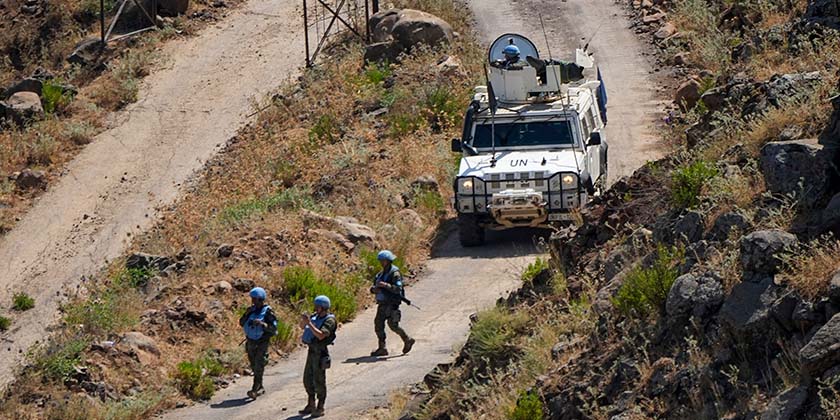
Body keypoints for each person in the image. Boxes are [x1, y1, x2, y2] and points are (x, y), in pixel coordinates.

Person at [369, 250, 415, 357]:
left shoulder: (395, 274)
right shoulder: (380, 274)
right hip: (382, 303)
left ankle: (407, 340)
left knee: (393, 325)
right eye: (380, 261)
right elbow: (374, 287)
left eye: (383, 261)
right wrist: (373, 290)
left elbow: (397, 289)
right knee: (378, 325)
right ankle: (382, 347)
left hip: (391, 303)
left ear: (388, 261)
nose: (381, 263)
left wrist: (385, 285)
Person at [299, 295, 337, 418]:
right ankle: (311, 404)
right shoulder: (315, 317)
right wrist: (305, 321)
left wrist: (309, 323)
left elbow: (321, 335)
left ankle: (320, 407)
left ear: (323, 307)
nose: (315, 308)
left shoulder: (329, 320)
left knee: (319, 380)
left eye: (317, 306)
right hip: (311, 351)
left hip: (320, 352)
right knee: (307, 379)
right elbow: (302, 327)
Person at [239, 287, 278, 399]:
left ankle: (255, 388)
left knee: (259, 364)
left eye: (255, 299)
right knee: (253, 365)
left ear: (261, 299)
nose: (253, 302)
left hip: (262, 342)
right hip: (251, 342)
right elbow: (241, 323)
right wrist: (246, 315)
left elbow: (274, 329)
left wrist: (262, 324)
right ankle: (260, 386)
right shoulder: (250, 310)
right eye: (252, 299)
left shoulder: (268, 312)